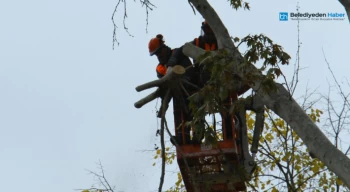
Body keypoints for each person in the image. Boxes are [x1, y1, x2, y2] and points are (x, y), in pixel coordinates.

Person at [148, 34, 196, 145]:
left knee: (194, 113)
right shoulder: (160, 69)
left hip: (192, 90)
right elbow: (163, 87)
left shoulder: (178, 54)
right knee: (179, 114)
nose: (159, 56)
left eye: (159, 52)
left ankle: (198, 135)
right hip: (177, 96)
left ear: (164, 47)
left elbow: (190, 72)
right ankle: (182, 138)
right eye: (156, 54)